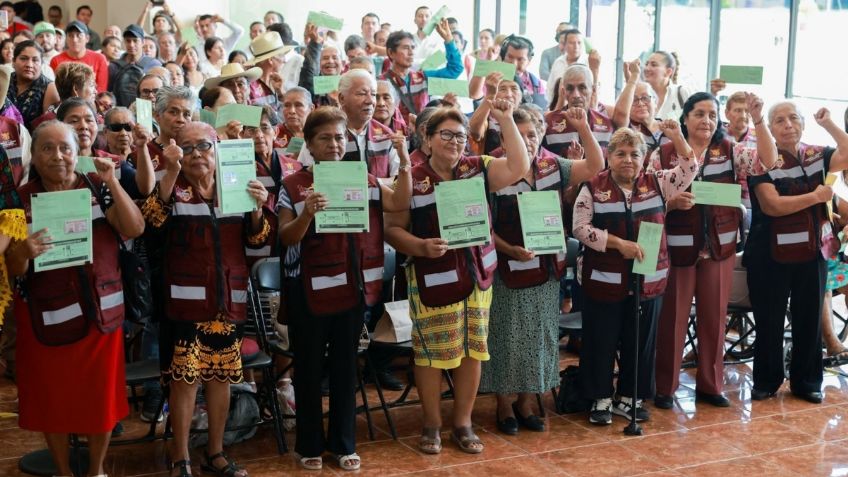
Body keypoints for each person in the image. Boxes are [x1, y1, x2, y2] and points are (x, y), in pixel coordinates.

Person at [384, 99, 529, 454]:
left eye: (460, 135)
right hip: (432, 278)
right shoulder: (412, 177)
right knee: (431, 354)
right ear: (428, 139)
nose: (454, 141)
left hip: (477, 276)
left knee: (472, 352)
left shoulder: (477, 168)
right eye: (445, 134)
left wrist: (506, 119)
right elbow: (392, 229)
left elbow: (519, 165)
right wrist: (419, 246)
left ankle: (462, 423)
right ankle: (431, 424)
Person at [278, 106, 411, 471]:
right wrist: (307, 213)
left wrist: (404, 161)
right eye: (325, 138)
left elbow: (399, 201)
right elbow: (285, 236)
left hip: (352, 289)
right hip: (308, 291)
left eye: (340, 137)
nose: (334, 144)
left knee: (344, 368)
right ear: (309, 144)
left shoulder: (361, 177)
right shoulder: (293, 184)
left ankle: (343, 443)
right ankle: (308, 445)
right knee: (307, 369)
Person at [9, 119, 144, 477]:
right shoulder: (18, 201)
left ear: (77, 152)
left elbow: (134, 228)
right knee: (52, 400)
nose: (58, 156)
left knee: (99, 400)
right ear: (33, 156)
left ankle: (96, 470)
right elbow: (12, 268)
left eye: (65, 148)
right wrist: (24, 250)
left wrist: (113, 181)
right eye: (47, 149)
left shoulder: (98, 188)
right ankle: (64, 471)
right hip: (45, 315)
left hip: (101, 313)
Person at [141, 120, 269, 477]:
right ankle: (180, 457)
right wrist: (168, 171)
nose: (198, 154)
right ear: (177, 151)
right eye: (189, 147)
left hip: (228, 299)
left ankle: (215, 452)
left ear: (217, 149)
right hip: (183, 302)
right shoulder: (173, 185)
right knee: (184, 381)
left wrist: (257, 207)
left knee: (221, 377)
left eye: (205, 145)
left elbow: (257, 240)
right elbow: (150, 220)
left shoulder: (236, 186)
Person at [481, 105, 604, 434]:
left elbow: (595, 165)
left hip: (545, 271)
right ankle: (504, 404)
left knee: (538, 337)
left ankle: (526, 400)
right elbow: (481, 223)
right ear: (505, 140)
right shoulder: (492, 169)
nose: (527, 141)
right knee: (506, 336)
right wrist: (509, 250)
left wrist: (583, 126)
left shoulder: (553, 166)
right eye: (518, 135)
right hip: (507, 267)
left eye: (532, 135)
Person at [651, 92, 776, 410]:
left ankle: (710, 384)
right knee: (673, 319)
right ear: (685, 118)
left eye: (711, 114)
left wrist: (759, 119)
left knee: (714, 319)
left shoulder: (730, 150)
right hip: (679, 246)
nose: (706, 120)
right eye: (699, 113)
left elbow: (768, 160)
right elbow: (646, 198)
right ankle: (665, 386)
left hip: (719, 246)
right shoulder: (663, 152)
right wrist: (670, 202)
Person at [573, 123, 696, 425]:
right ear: (609, 156)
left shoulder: (658, 182)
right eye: (621, 154)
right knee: (600, 340)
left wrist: (677, 136)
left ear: (644, 157)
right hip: (603, 280)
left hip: (648, 280)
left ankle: (630, 397)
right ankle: (600, 397)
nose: (628, 159)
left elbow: (690, 166)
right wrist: (617, 244)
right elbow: (579, 228)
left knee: (640, 342)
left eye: (635, 154)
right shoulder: (592, 187)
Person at [744, 103, 848, 403]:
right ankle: (766, 380)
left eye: (793, 118)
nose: (787, 124)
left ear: (803, 124)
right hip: (768, 255)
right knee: (769, 321)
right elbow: (772, 205)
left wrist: (828, 124)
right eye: (779, 120)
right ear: (770, 128)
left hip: (812, 251)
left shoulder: (817, 154)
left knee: (809, 318)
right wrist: (815, 196)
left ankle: (807, 382)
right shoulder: (761, 159)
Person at [297, 69, 400, 180]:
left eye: (373, 94)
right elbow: (303, 179)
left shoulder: (386, 135)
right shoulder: (322, 132)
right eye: (362, 93)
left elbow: (397, 181)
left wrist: (369, 185)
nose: (370, 101)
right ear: (342, 98)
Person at [543, 64, 632, 157]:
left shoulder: (607, 126)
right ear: (563, 92)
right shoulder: (548, 123)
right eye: (570, 88)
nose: (576, 95)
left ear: (593, 90)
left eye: (582, 88)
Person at [381, 20, 462, 119]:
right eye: (406, 48)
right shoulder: (381, 82)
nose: (411, 52)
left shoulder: (423, 78)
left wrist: (449, 40)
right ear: (391, 53)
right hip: (396, 134)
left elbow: (455, 69)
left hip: (422, 132)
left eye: (413, 47)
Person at [8, 40, 59, 129]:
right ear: (13, 61)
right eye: (23, 58)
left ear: (42, 64)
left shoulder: (49, 88)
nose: (29, 64)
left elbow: (48, 127)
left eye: (35, 60)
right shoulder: (5, 81)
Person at [109, 24, 162, 107]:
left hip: (147, 112)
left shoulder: (154, 65)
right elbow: (109, 93)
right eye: (128, 41)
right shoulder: (114, 66)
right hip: (120, 112)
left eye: (135, 40)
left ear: (143, 42)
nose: (131, 44)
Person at [49, 20, 109, 92]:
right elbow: (54, 89)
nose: (74, 40)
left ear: (87, 38)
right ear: (66, 39)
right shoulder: (56, 60)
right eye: (71, 36)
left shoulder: (99, 59)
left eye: (79, 35)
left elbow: (101, 89)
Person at [246, 31, 291, 115]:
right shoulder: (248, 86)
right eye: (281, 55)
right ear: (270, 60)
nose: (284, 60)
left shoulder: (275, 82)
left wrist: (281, 93)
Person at [545, 29, 596, 105]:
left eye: (579, 43)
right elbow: (550, 88)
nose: (576, 46)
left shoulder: (589, 62)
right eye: (572, 43)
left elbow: (595, 90)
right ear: (565, 45)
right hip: (559, 108)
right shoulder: (558, 62)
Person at [643, 50, 689, 121]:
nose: (647, 68)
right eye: (646, 64)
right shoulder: (641, 95)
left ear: (668, 72)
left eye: (654, 65)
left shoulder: (681, 93)